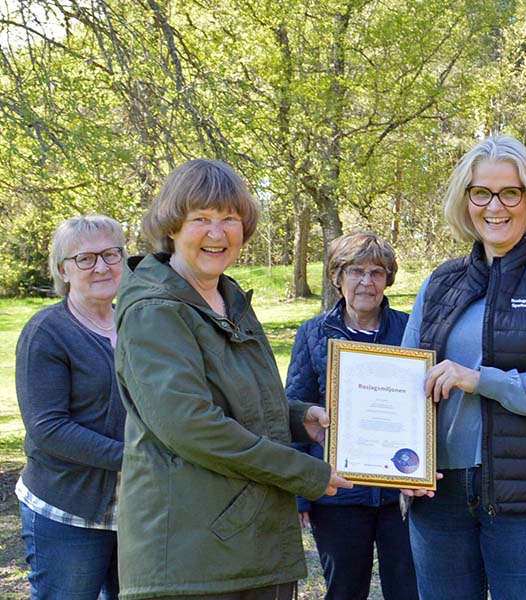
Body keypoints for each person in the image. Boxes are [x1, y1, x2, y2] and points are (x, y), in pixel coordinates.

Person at [114, 159, 352, 600]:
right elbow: (190, 425)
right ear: (172, 227)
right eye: (200, 219)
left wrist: (301, 419)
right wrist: (303, 471)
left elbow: (242, 398)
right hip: (192, 558)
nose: (217, 234)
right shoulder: (155, 310)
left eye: (229, 219)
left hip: (250, 545)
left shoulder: (227, 297)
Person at [399, 134, 526, 600]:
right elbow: (405, 380)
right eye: (481, 192)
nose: (495, 206)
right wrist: (399, 469)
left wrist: (480, 380)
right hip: (437, 494)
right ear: (466, 199)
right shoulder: (440, 282)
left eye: (510, 192)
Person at [285, 232, 416, 600]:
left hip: (400, 493)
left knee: (409, 590)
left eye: (377, 272)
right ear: (337, 277)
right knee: (344, 590)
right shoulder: (313, 334)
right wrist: (302, 492)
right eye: (356, 271)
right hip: (336, 492)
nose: (366, 282)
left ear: (388, 278)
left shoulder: (410, 330)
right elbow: (294, 411)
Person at [16, 215, 127, 600]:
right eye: (85, 258)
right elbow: (48, 429)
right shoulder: (47, 332)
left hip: (138, 509)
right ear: (63, 269)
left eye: (111, 254)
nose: (101, 266)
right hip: (68, 508)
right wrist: (136, 457)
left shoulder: (139, 323)